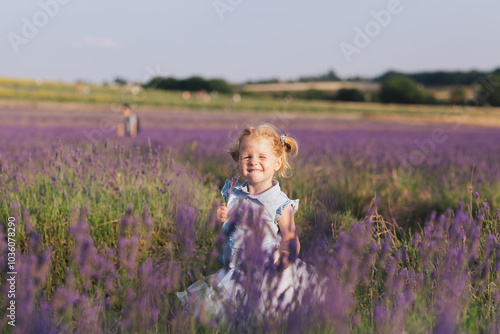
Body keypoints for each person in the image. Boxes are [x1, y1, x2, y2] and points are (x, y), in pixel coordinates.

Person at [176, 124, 323, 326]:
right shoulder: (233, 193)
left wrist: (283, 261)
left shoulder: (279, 203)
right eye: (247, 157)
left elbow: (291, 239)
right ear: (239, 161)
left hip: (268, 273)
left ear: (277, 162)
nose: (254, 162)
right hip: (236, 271)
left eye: (262, 157)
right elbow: (229, 233)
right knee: (217, 309)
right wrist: (220, 220)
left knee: (264, 314)